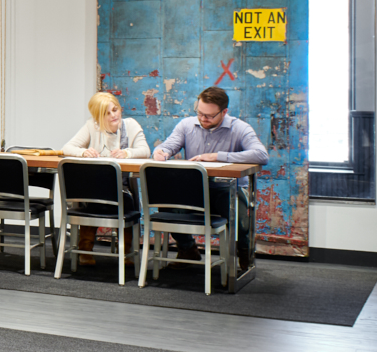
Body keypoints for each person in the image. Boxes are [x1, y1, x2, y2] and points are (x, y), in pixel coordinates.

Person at [151, 86, 268, 268]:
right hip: (194, 192)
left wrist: (218, 156)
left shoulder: (240, 128)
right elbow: (167, 146)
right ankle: (188, 249)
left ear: (224, 112)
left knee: (239, 216)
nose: (203, 119)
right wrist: (161, 152)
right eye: (200, 113)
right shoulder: (186, 125)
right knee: (167, 204)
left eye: (209, 116)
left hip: (228, 191)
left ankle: (245, 258)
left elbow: (261, 155)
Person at [61, 91, 148, 256]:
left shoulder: (131, 125)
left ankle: (127, 253)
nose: (113, 115)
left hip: (121, 189)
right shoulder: (92, 126)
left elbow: (145, 150)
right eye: (106, 113)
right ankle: (85, 251)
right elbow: (67, 147)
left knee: (127, 203)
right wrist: (83, 152)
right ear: (98, 117)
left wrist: (128, 153)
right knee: (90, 201)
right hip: (96, 189)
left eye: (115, 110)